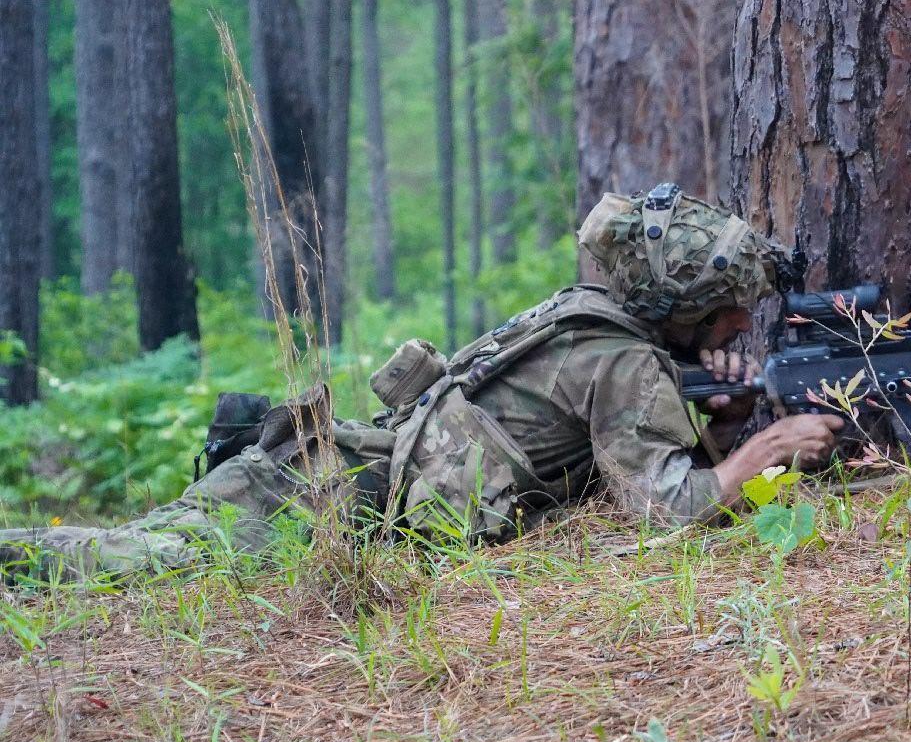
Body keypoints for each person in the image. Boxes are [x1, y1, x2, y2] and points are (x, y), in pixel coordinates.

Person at [0, 186, 844, 582]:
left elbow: (626, 452)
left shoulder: (593, 318)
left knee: (130, 546)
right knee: (119, 563)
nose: (742, 325)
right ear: (680, 303)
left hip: (315, 466)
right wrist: (766, 450)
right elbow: (669, 516)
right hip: (326, 496)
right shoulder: (623, 361)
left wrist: (724, 425)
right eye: (730, 309)